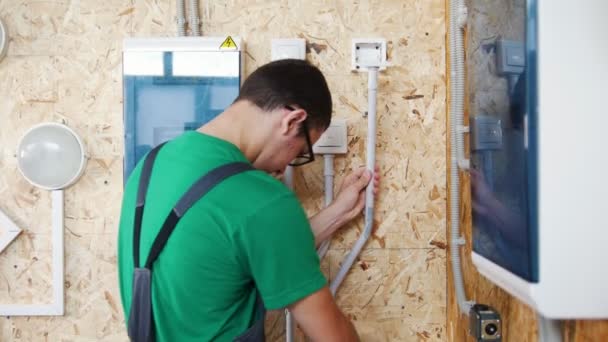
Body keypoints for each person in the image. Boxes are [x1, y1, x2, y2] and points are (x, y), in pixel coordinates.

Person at [117, 59, 379, 341]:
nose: (290, 163)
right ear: (293, 121)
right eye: (302, 150)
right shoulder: (260, 197)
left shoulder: (150, 165)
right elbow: (333, 337)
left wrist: (338, 212)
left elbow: (235, 251)